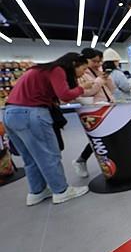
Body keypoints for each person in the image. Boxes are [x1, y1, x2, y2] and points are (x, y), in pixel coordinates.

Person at [3, 53, 93, 205]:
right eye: (83, 69)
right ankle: (61, 191)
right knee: (49, 155)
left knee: (29, 158)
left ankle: (36, 192)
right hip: (32, 114)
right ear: (73, 63)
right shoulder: (57, 69)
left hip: (10, 114)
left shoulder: (41, 70)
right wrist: (81, 88)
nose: (83, 73)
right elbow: (64, 95)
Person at [72, 48, 115, 178]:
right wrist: (99, 80)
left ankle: (112, 161)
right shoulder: (81, 73)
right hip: (93, 109)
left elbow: (112, 89)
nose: (98, 64)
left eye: (99, 62)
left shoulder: (99, 71)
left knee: (109, 136)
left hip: (108, 106)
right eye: (94, 61)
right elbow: (86, 92)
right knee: (97, 137)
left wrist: (106, 78)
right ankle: (81, 160)